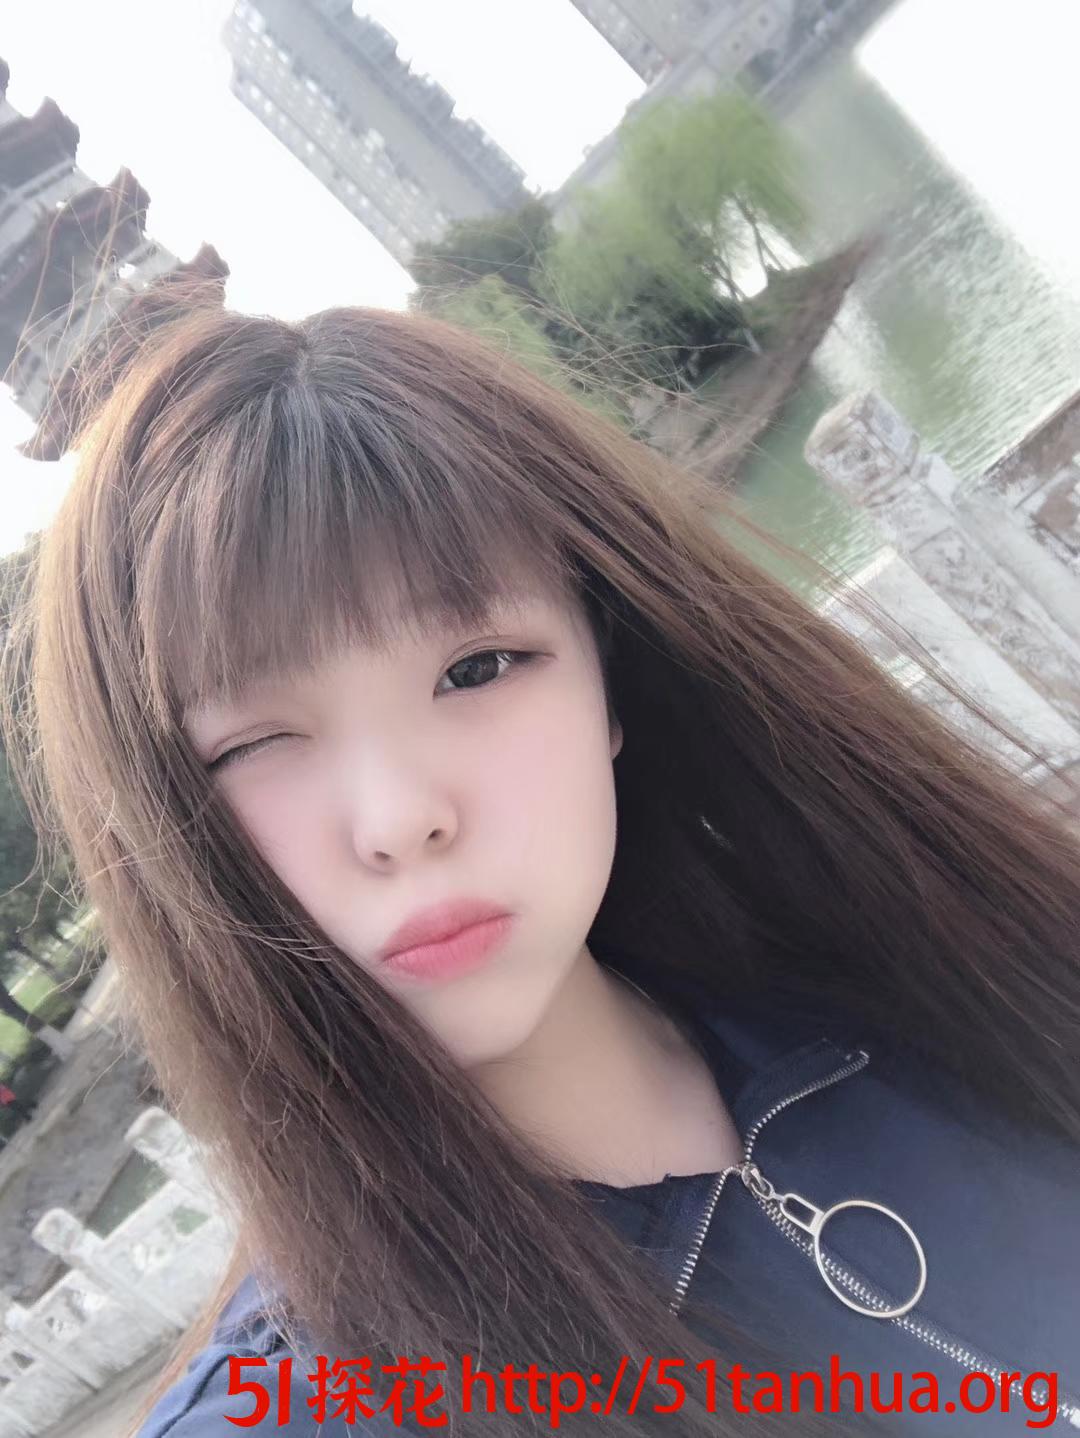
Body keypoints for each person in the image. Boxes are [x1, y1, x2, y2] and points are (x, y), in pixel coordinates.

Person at [1, 300, 1078, 1438]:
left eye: (477, 668)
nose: (401, 820)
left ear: (608, 681)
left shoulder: (922, 979)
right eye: (255, 743)